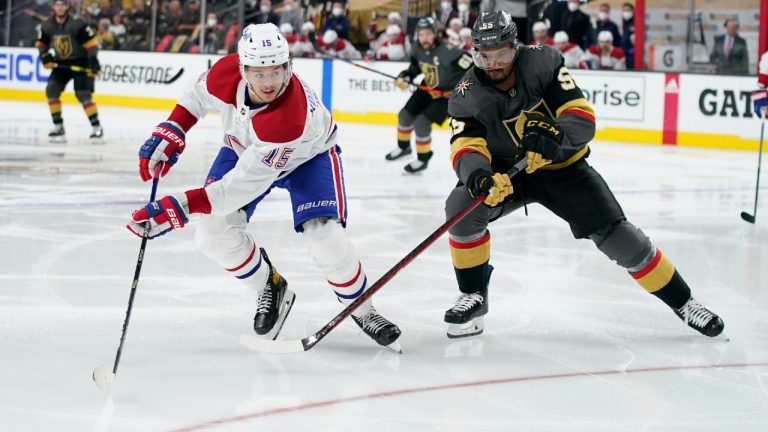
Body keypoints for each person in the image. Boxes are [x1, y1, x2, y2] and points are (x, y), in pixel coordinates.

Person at [441, 11, 724, 339]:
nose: (493, 65)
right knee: (462, 207)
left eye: (501, 54)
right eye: (483, 56)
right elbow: (465, 143)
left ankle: (684, 302)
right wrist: (479, 176)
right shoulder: (466, 92)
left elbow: (581, 117)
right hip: (508, 174)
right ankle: (473, 294)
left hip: (564, 169)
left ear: (515, 47)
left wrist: (554, 136)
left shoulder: (542, 64)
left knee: (620, 238)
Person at [126, 23, 401, 350]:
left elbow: (233, 192)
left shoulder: (287, 118)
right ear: (242, 69)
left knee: (324, 236)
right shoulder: (224, 72)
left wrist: (179, 206)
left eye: (276, 71)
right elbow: (196, 96)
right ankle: (269, 285)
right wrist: (173, 128)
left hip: (308, 157)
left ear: (288, 66)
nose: (269, 82)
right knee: (212, 235)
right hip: (243, 147)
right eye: (258, 73)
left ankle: (363, 309)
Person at [385, 17, 473, 173]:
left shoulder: (449, 51)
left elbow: (473, 69)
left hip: (446, 95)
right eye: (421, 34)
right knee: (404, 116)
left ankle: (423, 159)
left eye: (428, 34)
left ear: (435, 33)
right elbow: (415, 68)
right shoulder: (416, 48)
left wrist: (460, 91)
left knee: (421, 123)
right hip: (427, 88)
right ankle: (403, 148)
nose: (424, 38)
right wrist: (406, 76)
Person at [36, 0, 103, 143]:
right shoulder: (47, 25)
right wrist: (45, 56)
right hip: (61, 64)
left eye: (63, 5)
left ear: (67, 7)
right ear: (54, 7)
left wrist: (93, 61)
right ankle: (58, 126)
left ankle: (97, 127)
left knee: (83, 94)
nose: (60, 8)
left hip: (80, 62)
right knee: (52, 90)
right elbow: (42, 43)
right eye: (57, 5)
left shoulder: (78, 23)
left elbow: (92, 44)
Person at [620, 2, 635, 69]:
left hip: (632, 54)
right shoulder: (624, 22)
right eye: (624, 10)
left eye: (628, 10)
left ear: (632, 11)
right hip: (623, 53)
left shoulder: (636, 22)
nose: (626, 12)